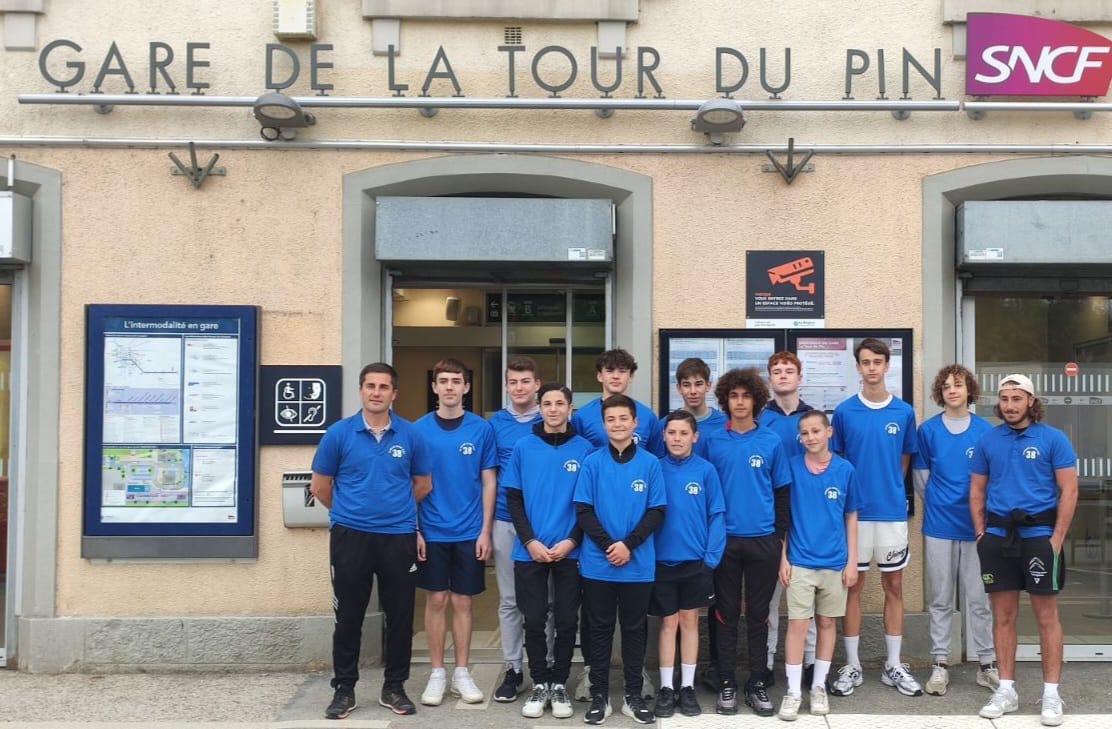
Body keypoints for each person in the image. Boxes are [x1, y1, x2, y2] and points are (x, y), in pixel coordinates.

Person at [310, 363, 432, 720]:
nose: (376, 392)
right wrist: (352, 512)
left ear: (394, 393)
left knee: (400, 617)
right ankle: (344, 689)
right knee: (349, 617)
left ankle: (394, 687)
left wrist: (394, 511)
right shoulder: (338, 434)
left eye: (384, 387)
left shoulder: (411, 435)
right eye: (370, 386)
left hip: (398, 537)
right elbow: (320, 487)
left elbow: (423, 485)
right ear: (361, 390)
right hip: (351, 537)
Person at [971, 374, 1078, 727]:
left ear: (1031, 401)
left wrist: (1057, 540)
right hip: (998, 538)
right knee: (1003, 616)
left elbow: (1070, 490)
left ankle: (1051, 694)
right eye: (1004, 399)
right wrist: (980, 533)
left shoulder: (1053, 439)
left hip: (1039, 537)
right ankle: (1006, 690)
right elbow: (977, 491)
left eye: (1016, 398)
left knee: (1047, 616)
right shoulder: (989, 440)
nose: (1009, 405)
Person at [829, 338, 921, 698]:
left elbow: (903, 462)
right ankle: (852, 665)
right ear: (857, 366)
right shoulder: (844, 412)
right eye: (865, 362)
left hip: (891, 514)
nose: (871, 368)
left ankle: (893, 664)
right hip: (855, 515)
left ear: (887, 365)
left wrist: (888, 490)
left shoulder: (904, 412)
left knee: (894, 586)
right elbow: (838, 464)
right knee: (852, 587)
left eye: (877, 362)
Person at [570, 347, 661, 702]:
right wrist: (608, 543)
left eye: (623, 370)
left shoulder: (648, 417)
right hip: (597, 535)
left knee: (635, 623)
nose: (616, 376)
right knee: (596, 620)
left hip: (636, 540)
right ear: (600, 376)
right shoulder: (583, 417)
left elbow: (655, 469)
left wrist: (629, 543)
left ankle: (637, 677)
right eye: (609, 370)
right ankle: (593, 674)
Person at [702, 367, 791, 717]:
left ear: (756, 400)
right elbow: (705, 493)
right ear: (726, 400)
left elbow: (782, 494)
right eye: (734, 396)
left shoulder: (771, 441)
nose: (740, 402)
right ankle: (726, 681)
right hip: (724, 541)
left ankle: (756, 682)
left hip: (762, 541)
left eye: (746, 396)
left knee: (758, 615)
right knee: (724, 615)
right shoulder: (713, 441)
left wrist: (778, 539)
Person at [503, 382, 595, 720]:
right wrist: (530, 541)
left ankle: (559, 683)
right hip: (531, 550)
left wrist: (572, 540)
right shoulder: (524, 447)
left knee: (568, 619)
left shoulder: (585, 449)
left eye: (559, 403)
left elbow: (589, 503)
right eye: (547, 404)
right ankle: (539, 681)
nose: (553, 409)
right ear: (539, 408)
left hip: (570, 550)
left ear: (570, 408)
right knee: (534, 618)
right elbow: (513, 499)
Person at [412, 358, 498, 707]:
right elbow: (410, 484)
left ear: (466, 387)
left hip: (469, 530)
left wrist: (486, 531)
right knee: (436, 600)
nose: (449, 386)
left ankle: (462, 671)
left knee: (463, 601)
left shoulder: (481, 429)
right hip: (432, 530)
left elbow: (489, 481)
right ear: (434, 387)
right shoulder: (418, 430)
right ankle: (437, 672)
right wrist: (415, 529)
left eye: (456, 381)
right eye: (443, 380)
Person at [913, 364, 998, 696]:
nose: (952, 390)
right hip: (939, 526)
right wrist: (940, 502)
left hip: (977, 527)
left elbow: (992, 479)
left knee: (979, 598)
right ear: (940, 392)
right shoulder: (928, 431)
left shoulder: (985, 431)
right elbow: (922, 480)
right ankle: (940, 664)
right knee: (940, 599)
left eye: (958, 385)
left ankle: (987, 665)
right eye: (946, 386)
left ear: (969, 390)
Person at [777, 410, 858, 721]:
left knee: (826, 624)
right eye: (805, 433)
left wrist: (852, 561)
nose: (810, 437)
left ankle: (819, 686)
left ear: (829, 432)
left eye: (816, 431)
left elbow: (851, 516)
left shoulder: (845, 469)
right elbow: (784, 516)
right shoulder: (792, 467)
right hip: (800, 561)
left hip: (835, 562)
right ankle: (793, 691)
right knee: (798, 625)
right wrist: (783, 557)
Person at [651, 410, 725, 719]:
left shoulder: (706, 471)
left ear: (695, 437)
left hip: (695, 562)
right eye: (672, 433)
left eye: (684, 433)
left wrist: (710, 559)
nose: (677, 439)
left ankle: (688, 687)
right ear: (663, 436)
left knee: (690, 622)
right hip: (661, 561)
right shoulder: (654, 468)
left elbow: (716, 515)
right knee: (668, 624)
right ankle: (667, 687)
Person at [759, 351, 818, 683]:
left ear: (800, 377)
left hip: (808, 516)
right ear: (770, 379)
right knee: (770, 597)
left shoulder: (812, 418)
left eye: (789, 370)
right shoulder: (760, 418)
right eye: (777, 371)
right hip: (771, 516)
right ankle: (767, 663)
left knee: (806, 595)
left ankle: (810, 662)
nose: (783, 375)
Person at [488, 355, 543, 703]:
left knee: (545, 603)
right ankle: (513, 668)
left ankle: (545, 669)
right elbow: (488, 476)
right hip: (506, 520)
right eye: (513, 382)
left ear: (537, 384)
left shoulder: (551, 417)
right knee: (510, 601)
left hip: (546, 523)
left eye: (525, 381)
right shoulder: (496, 423)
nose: (519, 388)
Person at [674, 357, 727, 432]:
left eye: (698, 384)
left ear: (708, 386)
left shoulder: (726, 424)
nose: (693, 391)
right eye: (686, 385)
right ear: (679, 388)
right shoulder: (666, 425)